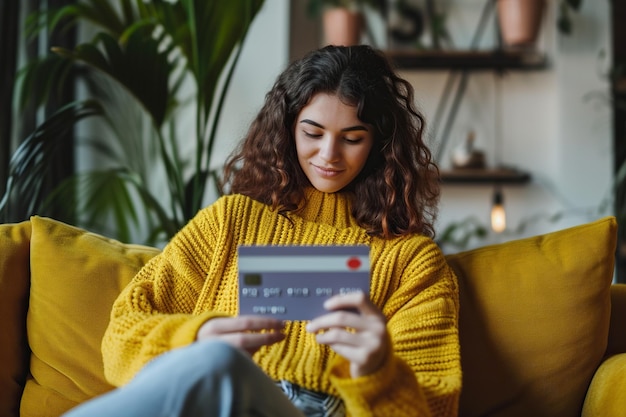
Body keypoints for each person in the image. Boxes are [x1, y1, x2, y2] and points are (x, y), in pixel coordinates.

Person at [63, 44, 461, 417]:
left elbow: (436, 405)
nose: (328, 155)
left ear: (379, 144)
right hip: (213, 394)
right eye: (312, 133)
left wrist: (378, 371)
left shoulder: (411, 261)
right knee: (217, 364)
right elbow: (121, 336)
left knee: (219, 366)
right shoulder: (229, 222)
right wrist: (197, 337)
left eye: (352, 139)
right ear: (287, 128)